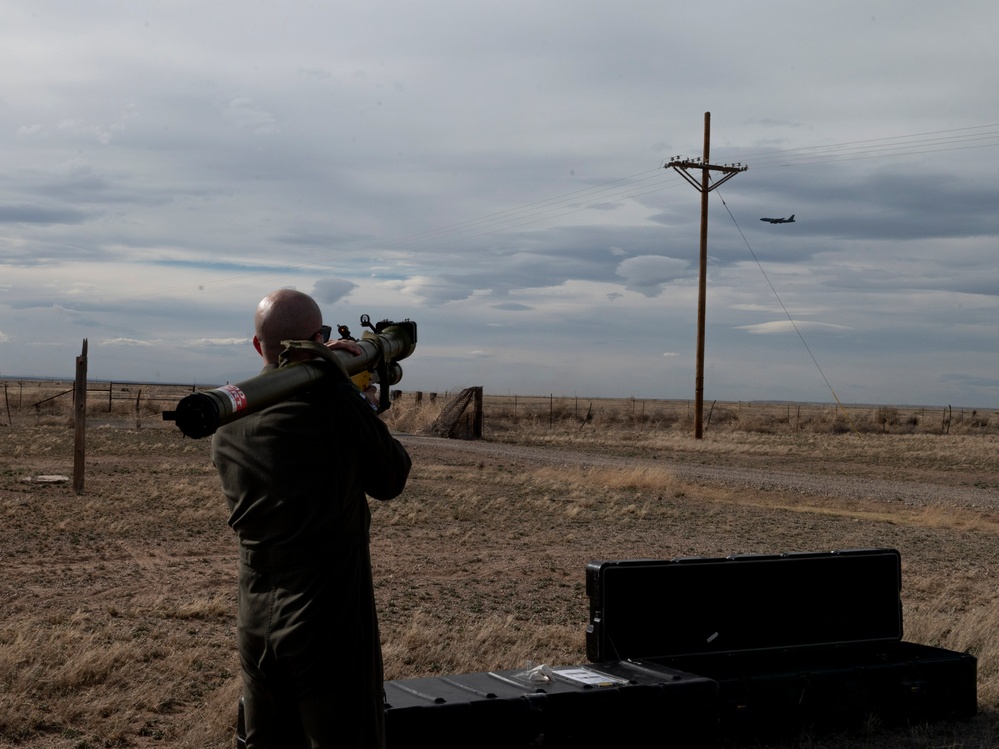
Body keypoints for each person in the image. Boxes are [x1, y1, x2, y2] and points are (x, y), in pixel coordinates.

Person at [211, 288, 411, 748]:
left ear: (259, 346)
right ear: (319, 341)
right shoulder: (335, 407)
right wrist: (343, 387)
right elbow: (392, 477)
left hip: (255, 619)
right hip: (326, 621)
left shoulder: (228, 425)